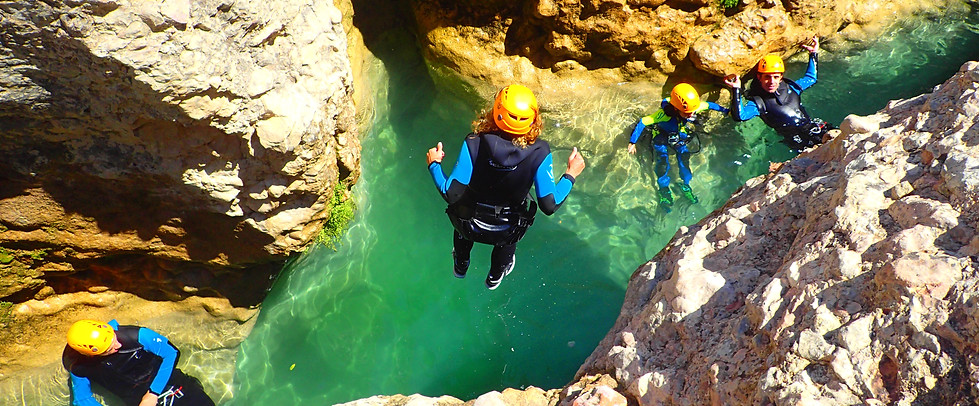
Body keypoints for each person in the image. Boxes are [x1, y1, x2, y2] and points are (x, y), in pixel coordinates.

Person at [427, 84, 585, 290]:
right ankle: (494, 277)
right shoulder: (540, 151)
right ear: (534, 119)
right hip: (506, 227)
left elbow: (451, 193)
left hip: (467, 220)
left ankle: (460, 266)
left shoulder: (474, 143)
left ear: (496, 113)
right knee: (508, 238)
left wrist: (434, 165)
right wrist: (570, 174)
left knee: (462, 226)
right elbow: (549, 204)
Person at [62, 319, 215, 406]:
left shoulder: (135, 336)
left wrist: (153, 393)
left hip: (172, 384)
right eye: (110, 348)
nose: (118, 344)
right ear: (91, 354)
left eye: (113, 337)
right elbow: (82, 400)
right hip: (135, 398)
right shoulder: (79, 367)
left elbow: (171, 353)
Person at [627, 83, 729, 210]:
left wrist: (726, 111)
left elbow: (710, 105)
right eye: (687, 113)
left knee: (684, 157)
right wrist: (632, 142)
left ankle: (686, 184)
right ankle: (664, 189)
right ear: (676, 108)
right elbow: (643, 122)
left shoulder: (692, 108)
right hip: (661, 136)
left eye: (692, 112)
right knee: (662, 161)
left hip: (678, 134)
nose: (692, 115)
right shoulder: (663, 114)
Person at [723, 36, 832, 151]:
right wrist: (736, 89)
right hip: (797, 140)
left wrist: (813, 53)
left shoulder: (792, 88)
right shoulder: (759, 103)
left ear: (781, 78)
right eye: (767, 77)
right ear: (759, 77)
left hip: (814, 127)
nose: (771, 82)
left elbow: (811, 78)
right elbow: (740, 116)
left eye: (775, 77)